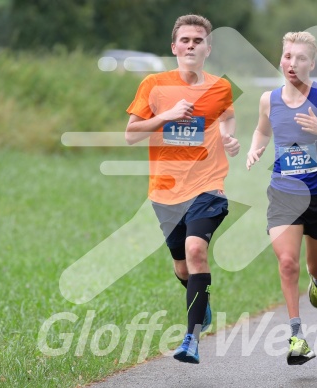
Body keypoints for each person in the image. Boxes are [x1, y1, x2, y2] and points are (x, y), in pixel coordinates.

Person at [124, 14, 240, 364]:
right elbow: (131, 134)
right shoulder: (154, 85)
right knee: (181, 267)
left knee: (195, 250)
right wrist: (168, 115)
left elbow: (227, 115)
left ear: (208, 48)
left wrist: (226, 135)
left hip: (208, 186)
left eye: (198, 40)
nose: (191, 45)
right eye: (185, 40)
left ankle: (190, 339)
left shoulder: (220, 87)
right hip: (165, 191)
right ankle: (199, 301)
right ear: (174, 47)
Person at [246, 31, 317, 365]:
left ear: (312, 63)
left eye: (299, 58)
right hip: (284, 194)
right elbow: (262, 129)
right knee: (287, 262)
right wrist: (256, 146)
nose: (292, 64)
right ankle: (297, 335)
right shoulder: (269, 99)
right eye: (287, 56)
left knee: (316, 266)